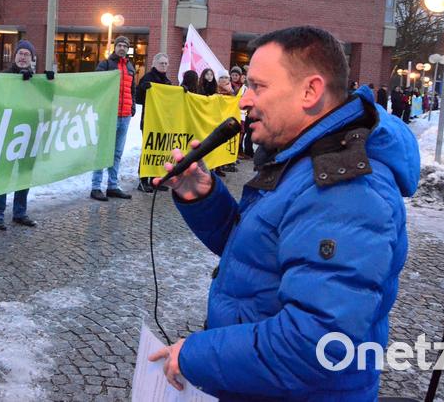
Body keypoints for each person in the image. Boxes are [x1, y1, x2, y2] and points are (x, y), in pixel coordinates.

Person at [147, 25, 419, 401]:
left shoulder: (345, 189)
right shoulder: (303, 160)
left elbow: (317, 344)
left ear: (310, 91)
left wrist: (196, 355)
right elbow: (260, 255)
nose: (244, 100)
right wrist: (204, 197)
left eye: (258, 86)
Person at [0, 40, 39, 230]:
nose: (23, 57)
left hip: (29, 134)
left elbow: (47, 102)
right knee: (3, 174)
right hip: (8, 134)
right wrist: (18, 82)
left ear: (32, 59)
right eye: (21, 53)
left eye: (27, 54)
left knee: (24, 174)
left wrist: (50, 83)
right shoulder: (4, 78)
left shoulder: (37, 81)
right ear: (15, 56)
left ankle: (19, 212)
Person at [90, 35, 136, 201]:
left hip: (124, 116)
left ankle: (112, 185)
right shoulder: (106, 64)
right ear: (115, 47)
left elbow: (132, 89)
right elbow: (97, 83)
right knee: (103, 151)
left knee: (117, 153)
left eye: (125, 45)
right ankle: (95, 186)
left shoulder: (130, 66)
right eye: (120, 45)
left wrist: (132, 106)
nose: (122, 48)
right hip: (109, 115)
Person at [135, 53, 172, 193]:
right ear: (154, 64)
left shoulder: (167, 81)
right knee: (148, 150)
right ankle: (143, 180)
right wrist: (143, 88)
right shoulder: (147, 78)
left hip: (162, 122)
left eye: (166, 63)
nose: (164, 65)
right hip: (149, 121)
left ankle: (155, 179)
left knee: (160, 151)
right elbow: (138, 99)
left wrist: (182, 91)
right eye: (161, 63)